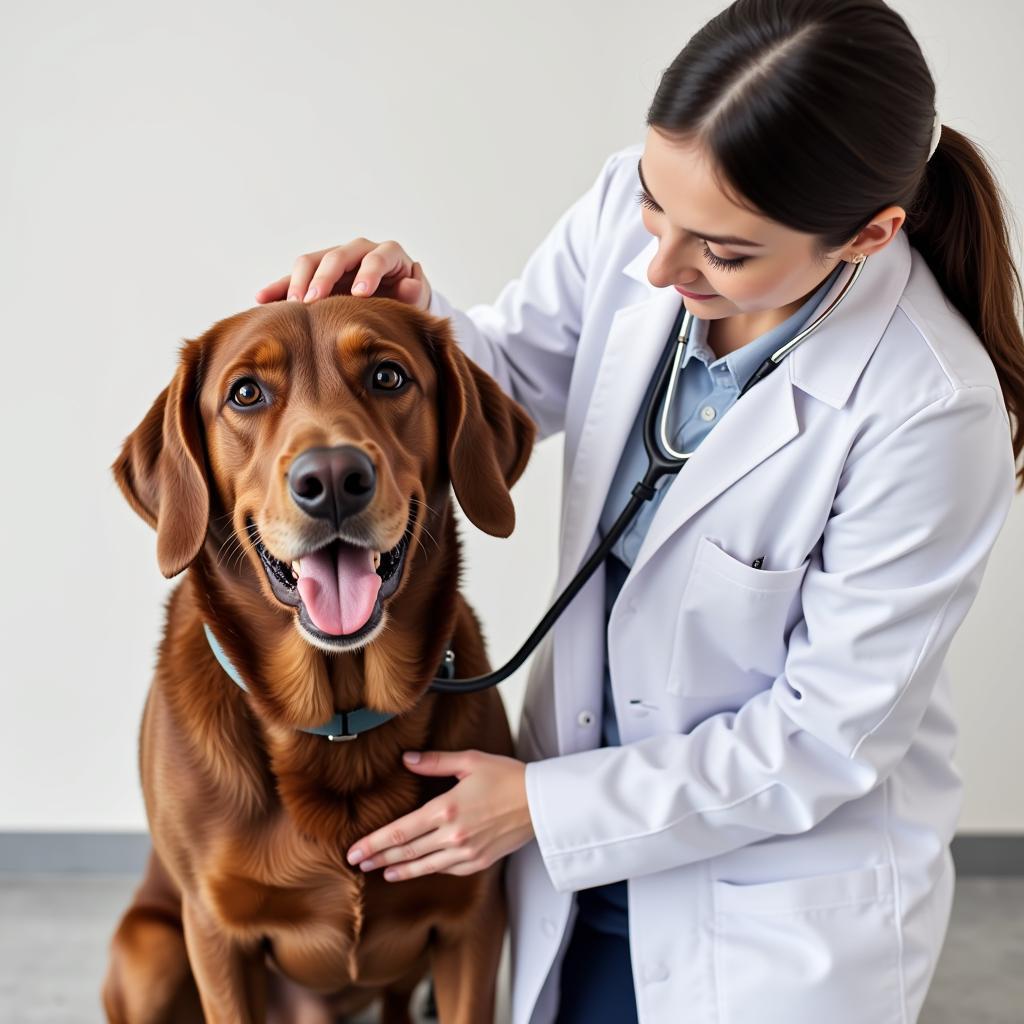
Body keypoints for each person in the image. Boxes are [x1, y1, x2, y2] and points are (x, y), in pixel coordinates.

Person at [254, 1, 1024, 1021]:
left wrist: (541, 804)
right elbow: (511, 385)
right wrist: (412, 328)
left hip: (763, 909)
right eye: (657, 207)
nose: (658, 267)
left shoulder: (927, 407)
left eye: (723, 251)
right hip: (564, 871)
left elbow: (822, 739)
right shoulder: (636, 211)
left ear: (868, 234)